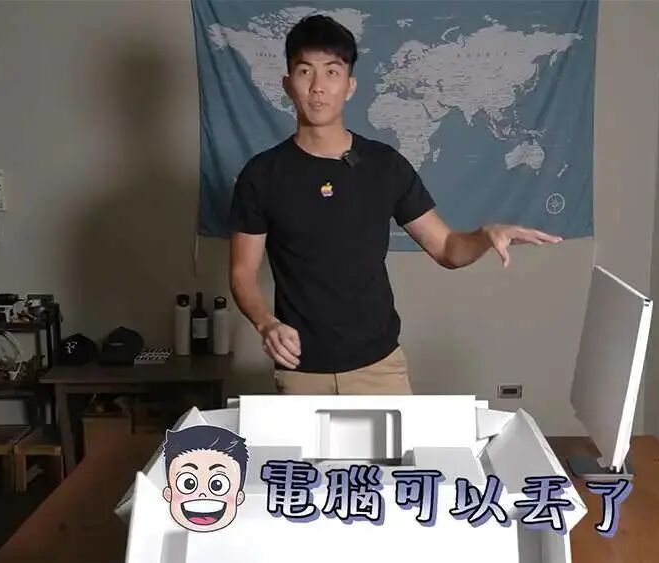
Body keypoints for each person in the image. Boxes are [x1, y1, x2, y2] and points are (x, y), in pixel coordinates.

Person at [229, 15, 561, 395]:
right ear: (288, 84)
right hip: (300, 369)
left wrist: (485, 235)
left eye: (332, 72)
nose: (318, 86)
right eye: (305, 71)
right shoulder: (262, 175)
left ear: (350, 86)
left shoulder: (384, 165)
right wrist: (266, 323)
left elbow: (447, 249)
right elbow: (242, 273)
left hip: (379, 368)